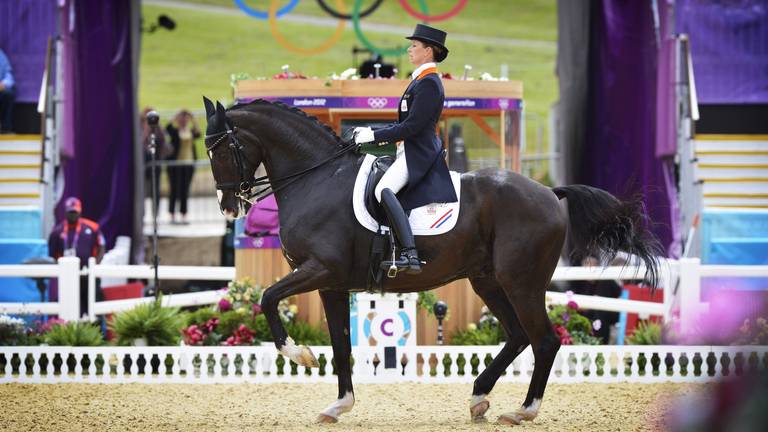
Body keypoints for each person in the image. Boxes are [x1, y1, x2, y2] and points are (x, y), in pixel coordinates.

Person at [353, 24, 458, 275]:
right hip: (408, 150)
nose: (409, 50)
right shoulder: (420, 81)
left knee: (383, 189)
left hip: (419, 153)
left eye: (414, 46)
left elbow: (412, 126)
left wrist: (375, 135)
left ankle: (409, 253)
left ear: (428, 51)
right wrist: (370, 132)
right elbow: (402, 124)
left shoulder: (430, 84)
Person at [48, 197, 106, 317]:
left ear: (80, 211)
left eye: (75, 212)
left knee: (94, 306)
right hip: (68, 276)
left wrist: (95, 264)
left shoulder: (92, 227)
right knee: (71, 308)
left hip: (88, 275)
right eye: (70, 212)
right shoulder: (57, 231)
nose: (73, 215)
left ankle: (100, 332)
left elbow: (102, 246)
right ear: (66, 212)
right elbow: (52, 254)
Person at [165, 109, 201, 224]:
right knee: (174, 189)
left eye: (185, 119)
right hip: (175, 165)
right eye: (182, 119)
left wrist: (193, 119)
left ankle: (183, 214)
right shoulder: (175, 131)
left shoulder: (190, 131)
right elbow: (167, 128)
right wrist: (175, 116)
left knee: (185, 190)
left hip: (188, 164)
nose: (184, 121)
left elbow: (198, 133)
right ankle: (172, 214)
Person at [141, 107, 169, 211]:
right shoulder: (141, 127)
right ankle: (142, 212)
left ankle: (155, 211)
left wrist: (157, 127)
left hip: (156, 162)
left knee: (155, 189)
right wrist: (147, 129)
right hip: (144, 163)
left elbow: (163, 141)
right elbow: (142, 142)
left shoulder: (158, 129)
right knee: (142, 190)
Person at [0, 49, 15, 134]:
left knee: (8, 93)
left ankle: (6, 128)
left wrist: (4, 84)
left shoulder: (1, 55)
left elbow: (9, 76)